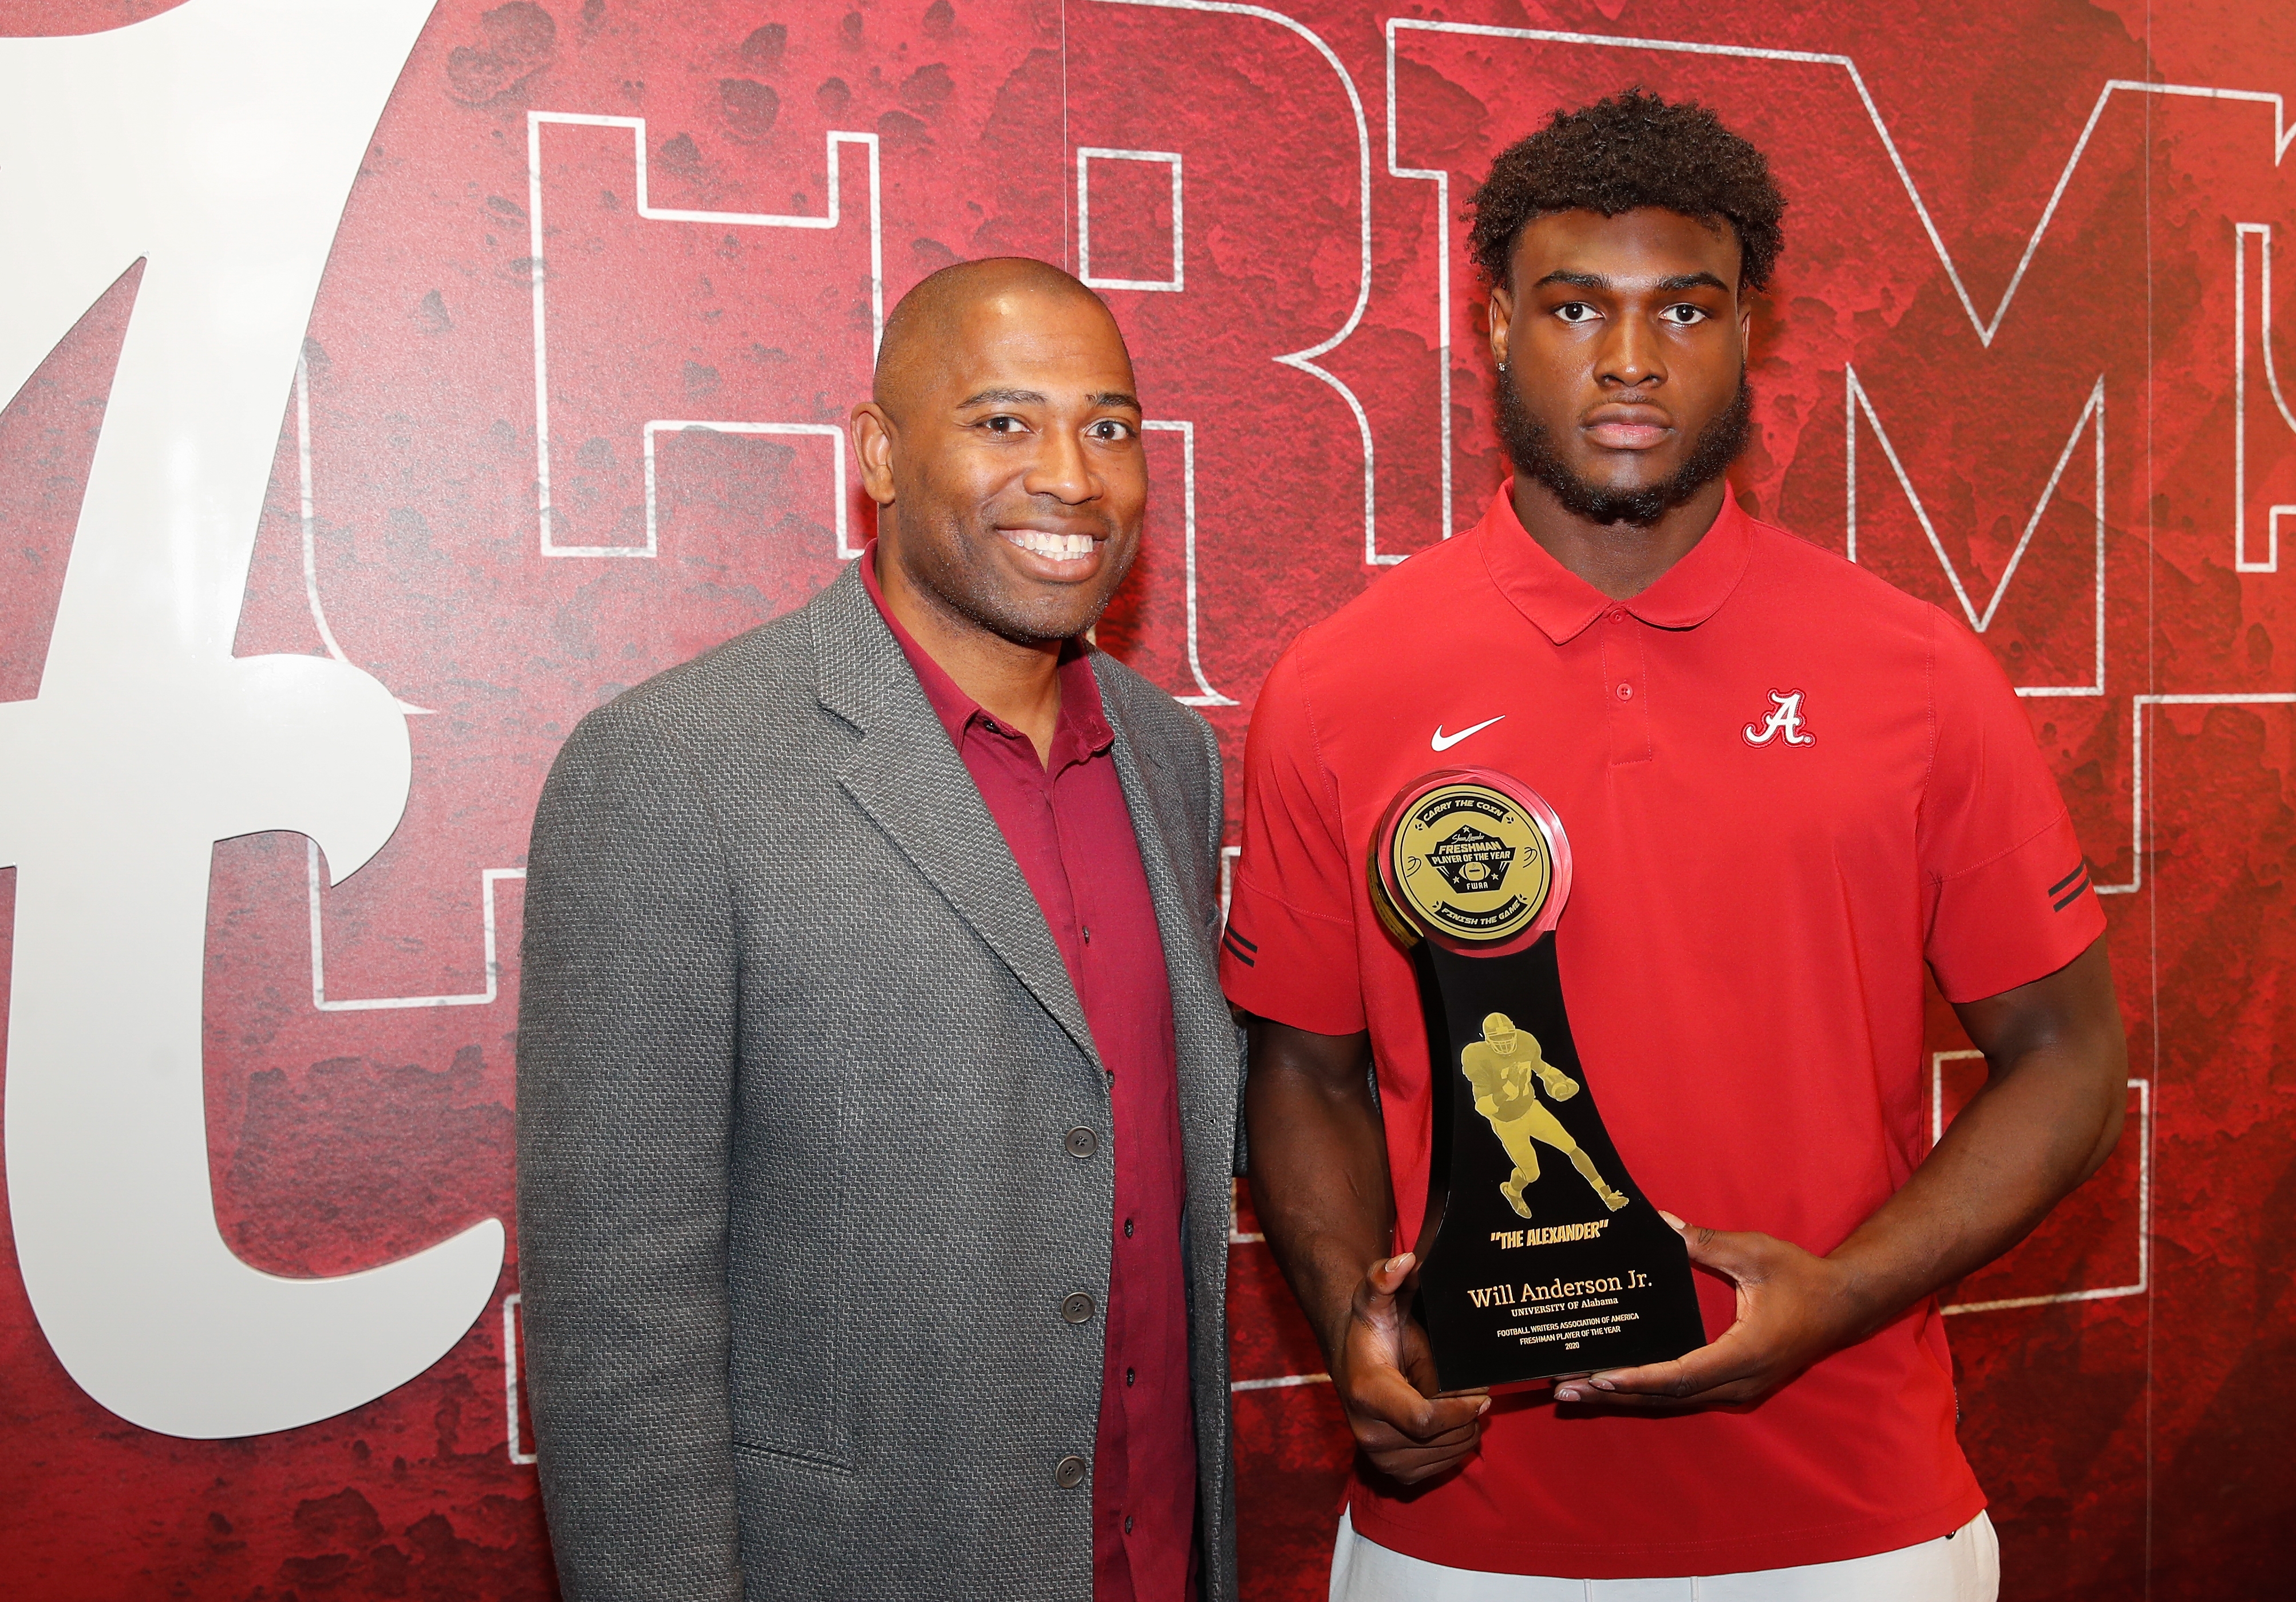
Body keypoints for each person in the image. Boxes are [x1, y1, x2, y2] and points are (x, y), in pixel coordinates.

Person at [1230, 92, 2130, 1600]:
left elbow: (2069, 1056)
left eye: (1684, 309)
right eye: (1577, 305)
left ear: (1749, 334)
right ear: (1500, 327)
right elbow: (1305, 1068)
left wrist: (1838, 1294)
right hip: (1470, 1537)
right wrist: (1350, 1326)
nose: (1632, 359)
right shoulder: (1338, 683)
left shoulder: (1915, 673)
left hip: (1854, 1523)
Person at [517, 258, 1239, 1602]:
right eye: (1005, 420)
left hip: (1157, 1554)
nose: (1074, 475)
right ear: (880, 453)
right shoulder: (673, 767)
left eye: (1112, 425)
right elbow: (620, 1310)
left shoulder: (1172, 759)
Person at [1459, 1012, 1625, 1217]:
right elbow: (1482, 1107)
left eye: (1508, 1036)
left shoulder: (1526, 1042)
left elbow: (1543, 1069)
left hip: (1532, 1108)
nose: (1505, 1043)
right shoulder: (1476, 1055)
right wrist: (1508, 1090)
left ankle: (1606, 1194)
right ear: (1486, 1039)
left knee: (1571, 1146)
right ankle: (1512, 1191)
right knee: (1532, 1174)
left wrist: (1559, 1079)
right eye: (1498, 1039)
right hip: (1508, 1123)